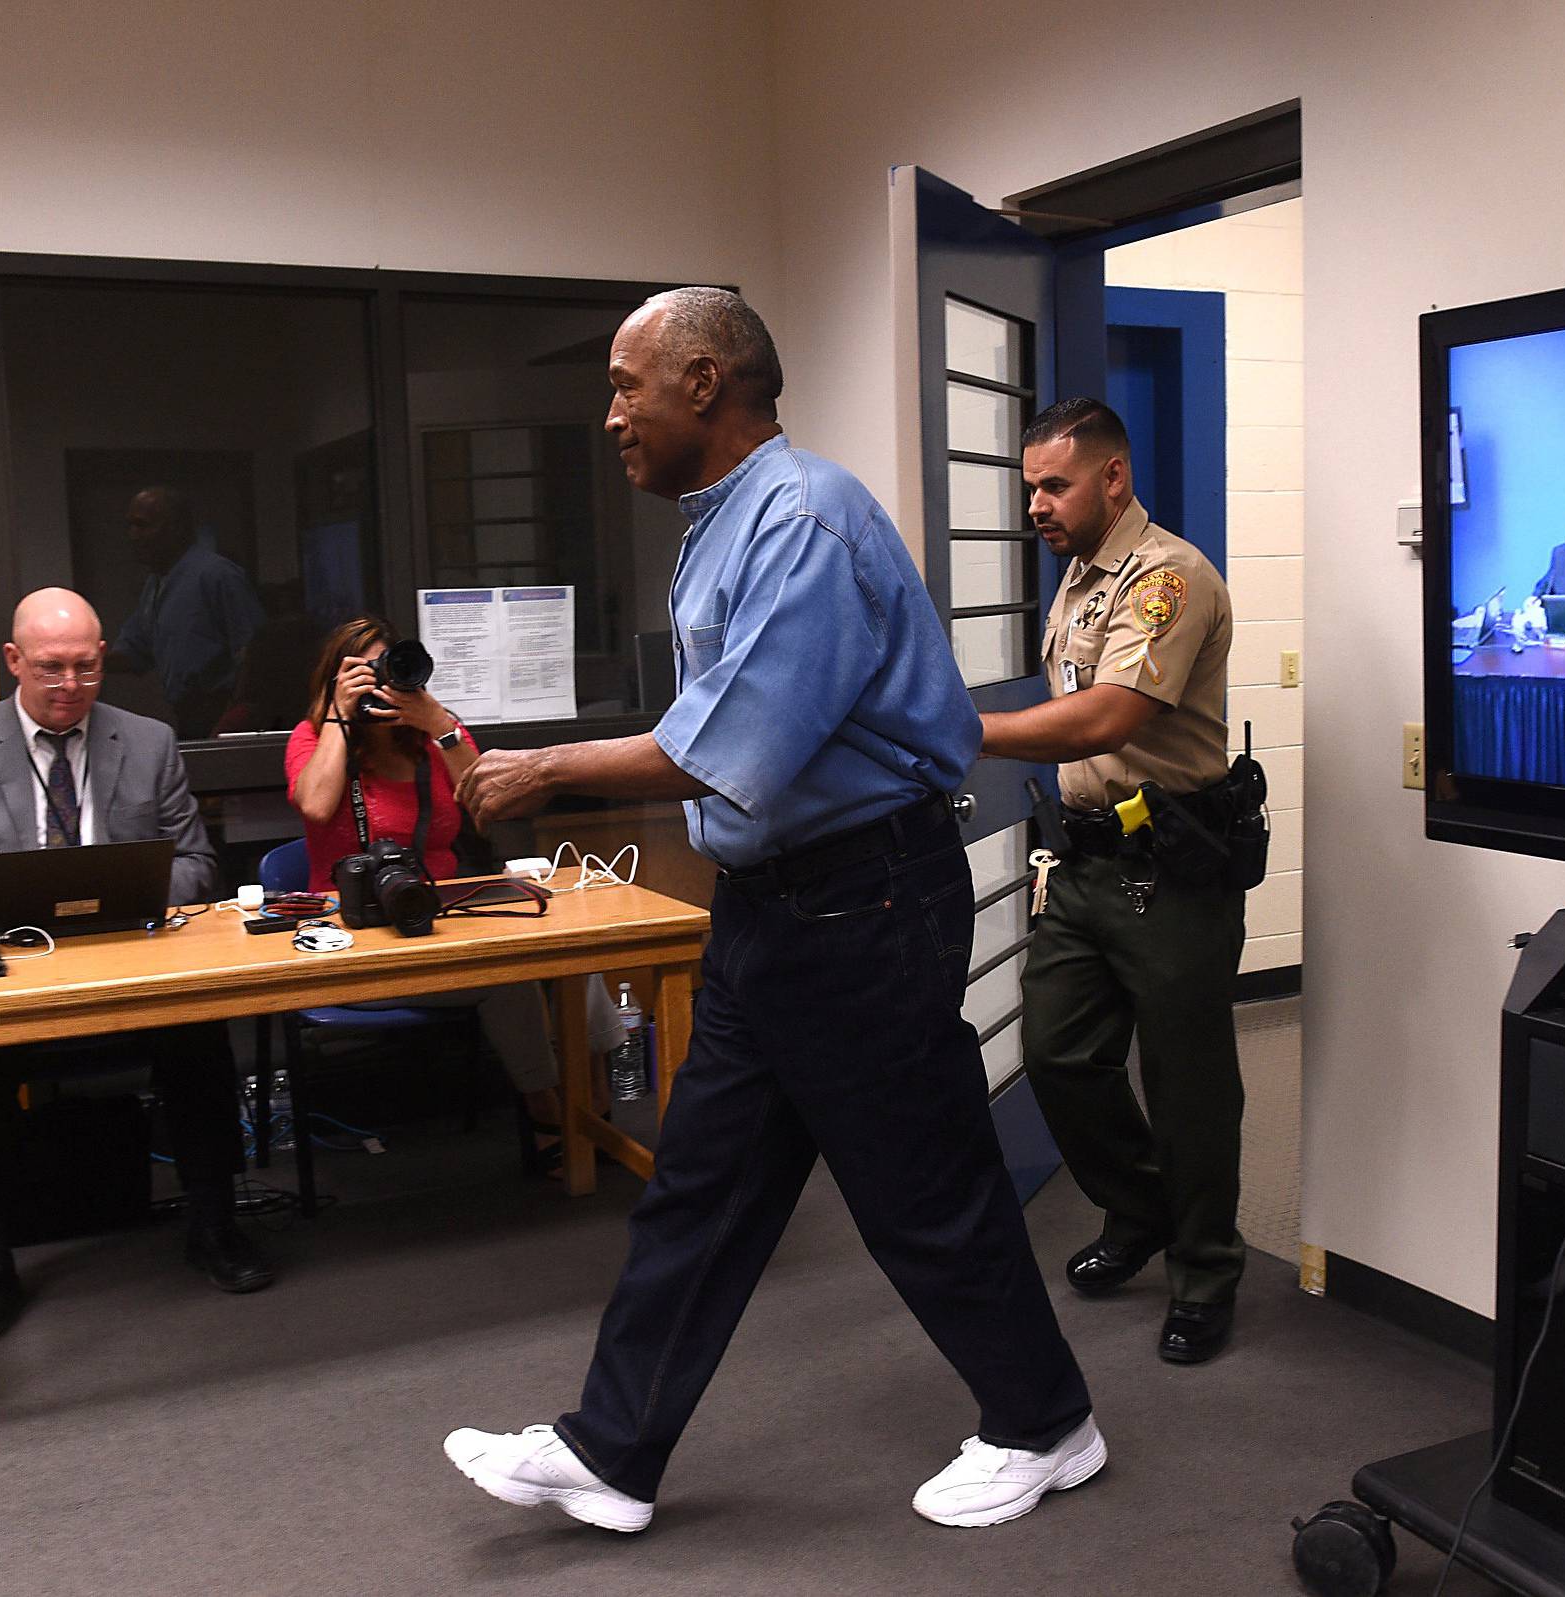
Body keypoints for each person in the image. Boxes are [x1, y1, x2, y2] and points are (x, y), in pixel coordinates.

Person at [439, 288, 1098, 1534]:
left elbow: (733, 739)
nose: (611, 414)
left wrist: (551, 768)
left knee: (922, 1188)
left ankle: (1046, 1421)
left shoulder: (800, 519)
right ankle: (614, 1451)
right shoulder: (726, 519)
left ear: (705, 382)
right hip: (774, 909)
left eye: (629, 385)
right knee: (702, 1187)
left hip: (864, 896)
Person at [0, 587, 273, 1343]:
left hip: (129, 963)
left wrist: (140, 885)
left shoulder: (148, 740)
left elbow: (198, 864)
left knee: (199, 1034)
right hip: (12, 969)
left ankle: (215, 1222)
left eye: (87, 668)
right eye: (52, 669)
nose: (70, 687)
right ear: (14, 660)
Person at [979, 397, 1244, 1365]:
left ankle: (1206, 1269)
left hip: (1172, 867)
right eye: (1030, 489)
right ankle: (1142, 1212)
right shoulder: (1081, 579)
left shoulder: (1168, 576)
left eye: (1055, 485)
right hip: (1088, 860)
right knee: (1057, 1054)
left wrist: (956, 730)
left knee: (1189, 1088)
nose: (1037, 506)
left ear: (1113, 477)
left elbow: (1105, 719)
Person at [283, 617, 623, 1165]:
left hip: (444, 920)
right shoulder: (313, 738)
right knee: (506, 979)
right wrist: (337, 720)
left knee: (574, 953)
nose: (379, 684)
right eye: (363, 673)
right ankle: (547, 1115)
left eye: (387, 669)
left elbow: (488, 803)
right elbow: (318, 805)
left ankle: (596, 1104)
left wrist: (438, 723)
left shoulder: (433, 736)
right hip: (360, 936)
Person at [107, 485, 266, 738]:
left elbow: (256, 654)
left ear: (176, 528)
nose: (133, 535)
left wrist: (234, 716)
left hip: (223, 712)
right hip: (187, 713)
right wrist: (81, 662)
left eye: (143, 525)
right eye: (130, 526)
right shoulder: (156, 584)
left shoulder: (217, 575)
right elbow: (135, 651)